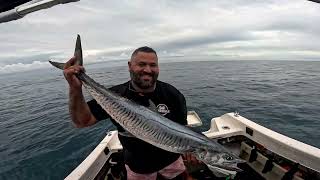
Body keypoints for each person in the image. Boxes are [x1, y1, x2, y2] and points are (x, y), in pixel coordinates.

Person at [63, 46, 195, 180]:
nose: (148, 70)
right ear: (130, 66)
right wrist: (75, 88)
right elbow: (82, 121)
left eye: (153, 65)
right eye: (142, 64)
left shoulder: (173, 94)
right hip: (138, 169)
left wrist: (192, 151)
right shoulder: (115, 95)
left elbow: (183, 128)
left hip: (172, 163)